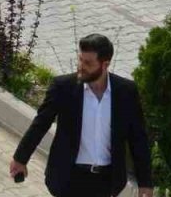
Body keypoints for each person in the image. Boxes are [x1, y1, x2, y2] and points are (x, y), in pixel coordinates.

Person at [11, 34, 155, 197]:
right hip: (69, 178)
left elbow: (138, 139)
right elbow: (41, 123)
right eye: (80, 59)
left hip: (107, 181)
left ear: (105, 64)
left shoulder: (126, 92)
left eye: (88, 63)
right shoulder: (63, 87)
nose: (81, 66)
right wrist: (20, 159)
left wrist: (145, 183)